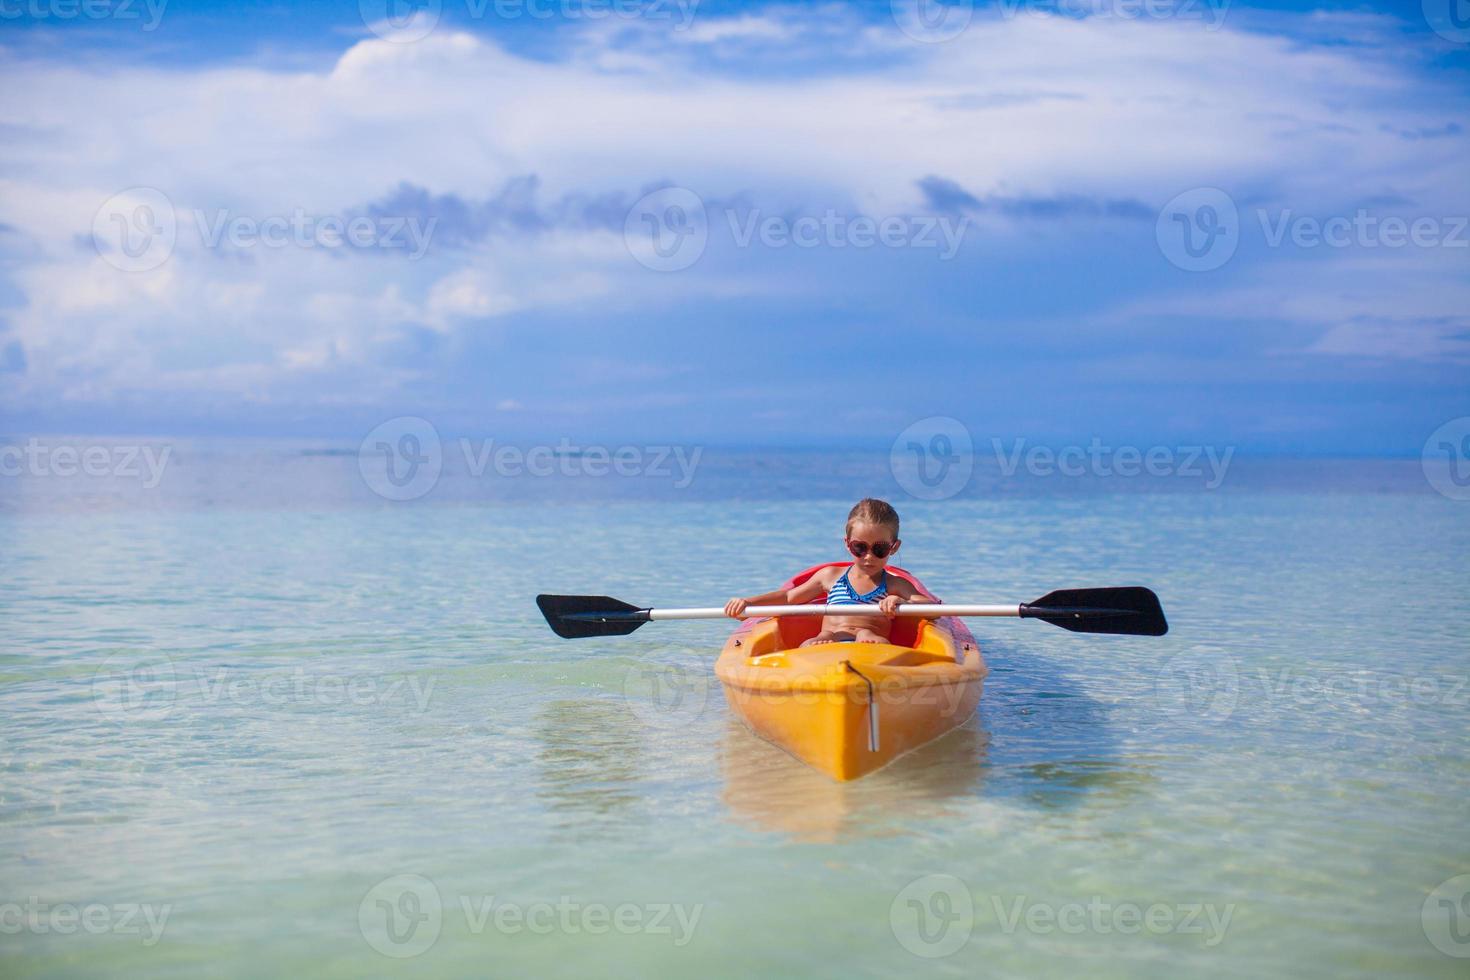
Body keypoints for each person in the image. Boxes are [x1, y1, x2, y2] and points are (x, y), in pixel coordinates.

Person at [723, 498, 930, 645]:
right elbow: (788, 597)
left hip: (870, 645)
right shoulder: (831, 576)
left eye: (879, 549)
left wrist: (903, 602)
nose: (868, 556)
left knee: (868, 633)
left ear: (894, 547)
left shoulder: (893, 584)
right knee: (817, 639)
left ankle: (864, 639)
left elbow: (931, 608)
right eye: (860, 547)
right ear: (848, 544)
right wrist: (748, 603)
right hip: (829, 641)